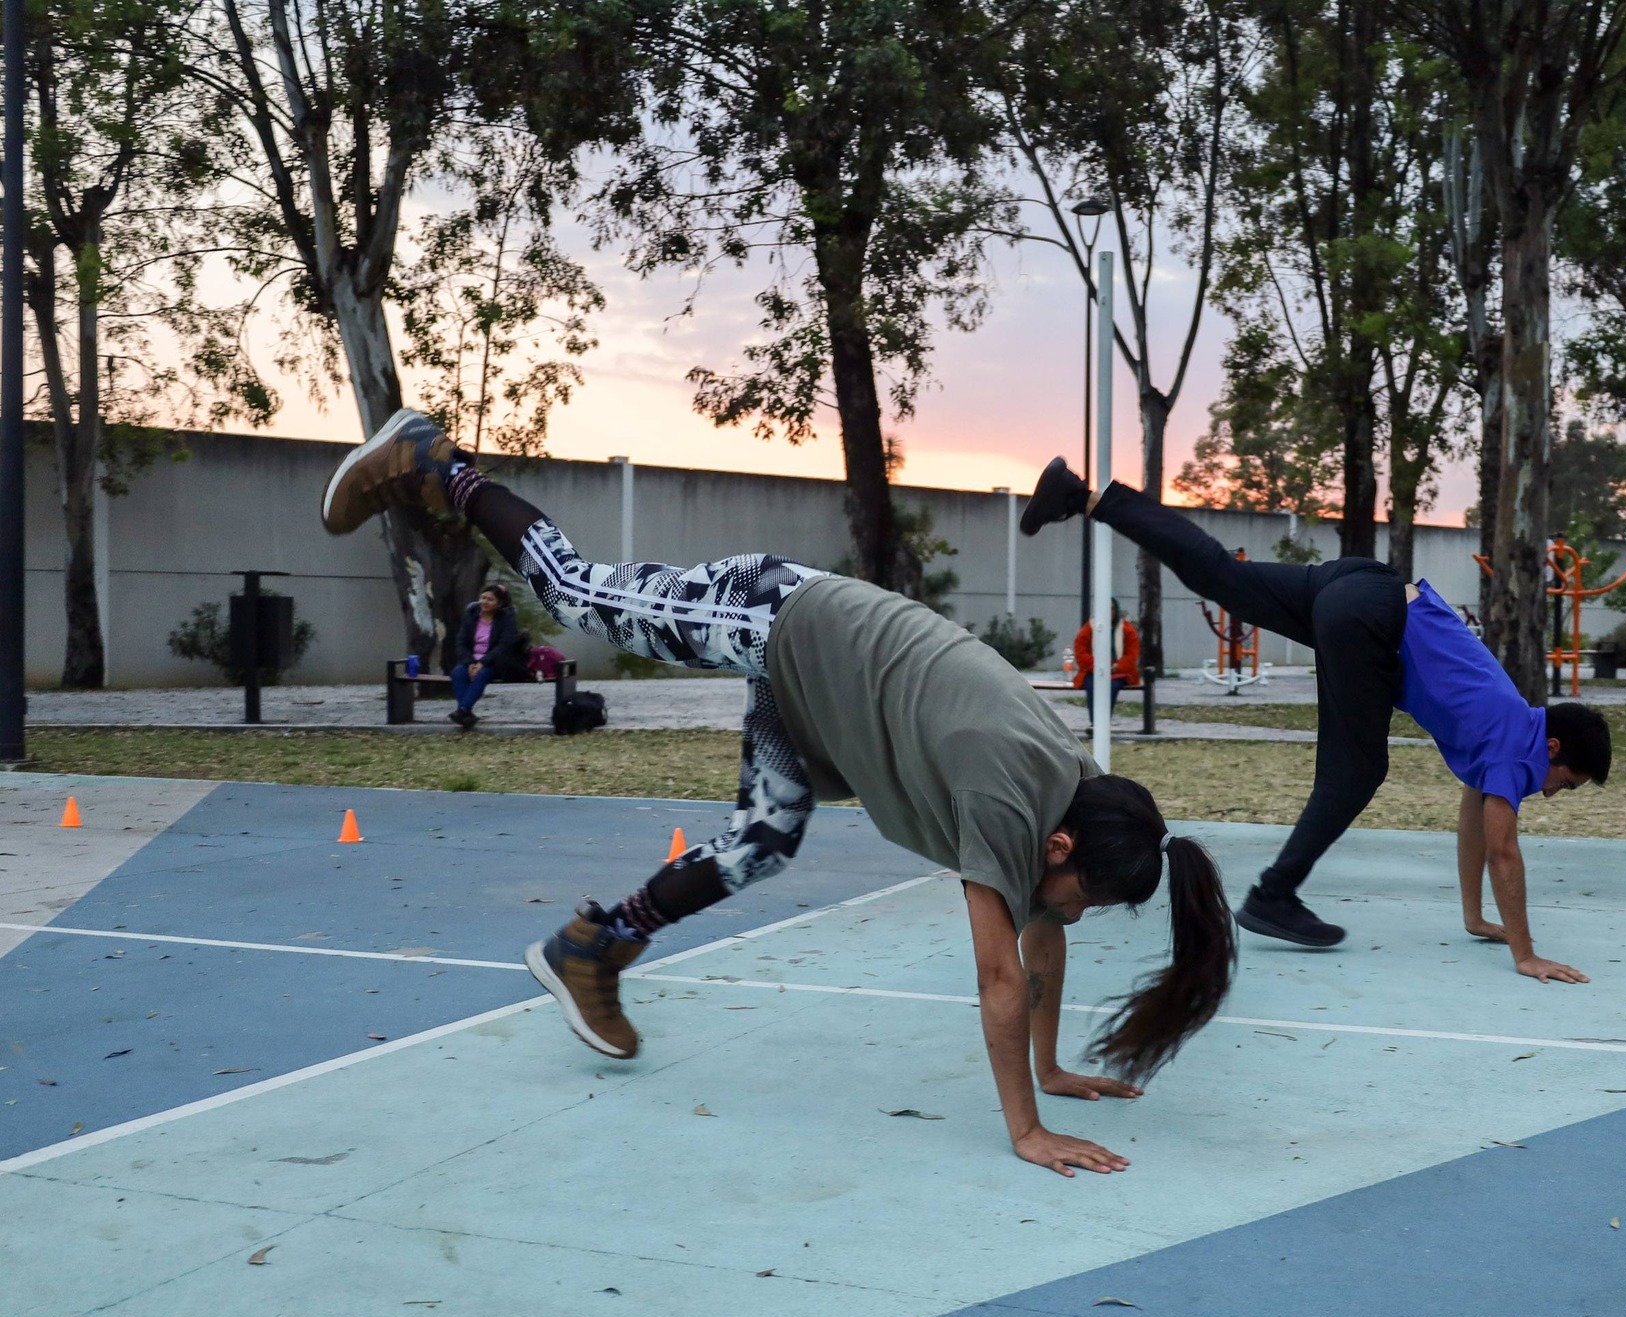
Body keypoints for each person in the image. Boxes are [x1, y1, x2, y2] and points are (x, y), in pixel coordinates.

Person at [319, 410, 1239, 1177]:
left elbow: (1043, 935)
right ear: (1061, 848)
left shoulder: (1081, 798)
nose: (1066, 916)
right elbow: (1004, 975)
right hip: (772, 613)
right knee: (572, 594)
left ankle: (591, 948)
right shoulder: (1008, 799)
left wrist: (1052, 1067)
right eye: (1078, 900)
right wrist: (1027, 1130)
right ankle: (440, 462)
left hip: (809, 688)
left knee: (763, 839)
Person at [1020, 458, 1610, 983]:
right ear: (1554, 747)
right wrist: (1526, 954)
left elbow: (1475, 818)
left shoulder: (1509, 722)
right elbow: (1503, 851)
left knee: (1222, 576)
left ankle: (1084, 497)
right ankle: (1273, 894)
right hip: (1373, 619)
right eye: (1565, 783)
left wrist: (1475, 917)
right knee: (1356, 773)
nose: (1551, 793)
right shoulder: (1517, 745)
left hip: (1358, 585)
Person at [448, 582, 526, 729]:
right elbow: (460, 642)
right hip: (471, 660)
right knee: (457, 673)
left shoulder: (507, 619)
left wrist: (483, 662)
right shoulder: (471, 616)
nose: (485, 602)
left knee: (481, 674)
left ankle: (463, 710)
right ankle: (465, 713)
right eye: (483, 598)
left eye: (490, 599)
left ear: (499, 603)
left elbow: (504, 646)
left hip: (495, 661)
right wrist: (470, 662)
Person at [1072, 600, 1140, 712]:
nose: (1109, 612)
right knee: (1092, 685)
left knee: (1111, 686)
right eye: (1106, 609)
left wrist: (1117, 666)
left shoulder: (1127, 629)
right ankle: (1095, 720)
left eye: (1112, 609)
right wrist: (1097, 666)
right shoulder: (1089, 628)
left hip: (1119, 671)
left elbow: (1132, 654)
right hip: (1092, 670)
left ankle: (1103, 719)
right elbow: (1080, 652)